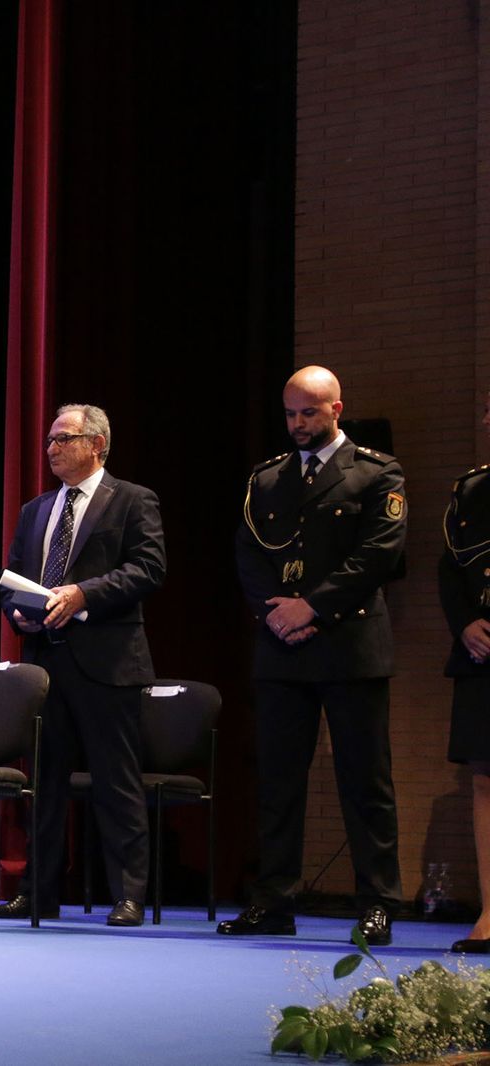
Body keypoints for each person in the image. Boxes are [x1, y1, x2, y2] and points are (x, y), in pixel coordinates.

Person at [221, 365, 406, 945]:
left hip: (350, 644)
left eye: (309, 412)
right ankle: (273, 901)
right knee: (277, 781)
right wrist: (276, 613)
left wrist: (312, 608)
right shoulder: (268, 478)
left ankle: (376, 902)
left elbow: (379, 554)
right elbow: (249, 554)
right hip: (282, 650)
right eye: (291, 413)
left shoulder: (376, 471)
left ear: (336, 409)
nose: (298, 423)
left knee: (365, 780)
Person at [0, 404, 165, 927]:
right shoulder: (36, 508)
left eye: (64, 439)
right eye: (48, 441)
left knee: (117, 783)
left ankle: (128, 894)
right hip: (45, 663)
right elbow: (12, 578)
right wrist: (20, 613)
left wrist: (82, 593)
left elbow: (148, 569)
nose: (51, 448)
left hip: (109, 664)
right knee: (44, 784)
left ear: (97, 445)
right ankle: (39, 892)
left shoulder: (132, 500)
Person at [440, 393, 490, 953]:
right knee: (484, 778)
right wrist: (464, 624)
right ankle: (489, 915)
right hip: (482, 648)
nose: (486, 419)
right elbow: (450, 571)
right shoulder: (471, 488)